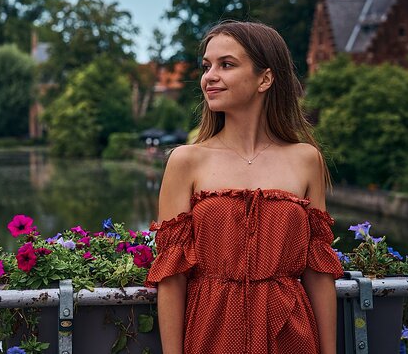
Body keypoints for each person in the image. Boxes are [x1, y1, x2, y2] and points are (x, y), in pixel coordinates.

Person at [145, 21, 344, 354]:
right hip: (212, 334)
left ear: (265, 78)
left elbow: (318, 272)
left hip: (291, 335)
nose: (209, 76)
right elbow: (172, 277)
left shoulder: (306, 160)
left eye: (226, 65)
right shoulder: (186, 161)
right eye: (207, 66)